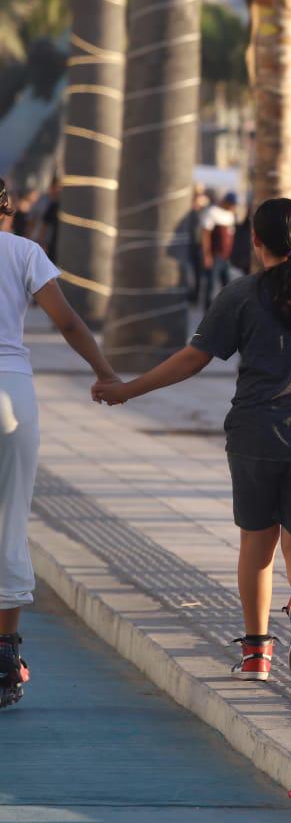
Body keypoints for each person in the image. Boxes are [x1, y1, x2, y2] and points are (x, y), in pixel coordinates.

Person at [95, 199, 291, 681]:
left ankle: (257, 652)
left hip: (255, 435)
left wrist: (127, 391)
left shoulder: (241, 293)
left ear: (256, 241)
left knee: (256, 546)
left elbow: (192, 359)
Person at [0, 178, 119, 709]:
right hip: (11, 396)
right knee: (9, 520)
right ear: (7, 210)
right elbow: (68, 322)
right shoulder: (25, 252)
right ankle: (5, 657)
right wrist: (105, 373)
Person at [200, 191, 241, 310]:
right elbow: (205, 234)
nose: (233, 207)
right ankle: (207, 312)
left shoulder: (231, 215)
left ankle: (225, 311)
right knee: (211, 286)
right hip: (215, 255)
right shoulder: (213, 212)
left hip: (226, 257)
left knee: (227, 285)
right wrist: (207, 255)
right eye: (231, 204)